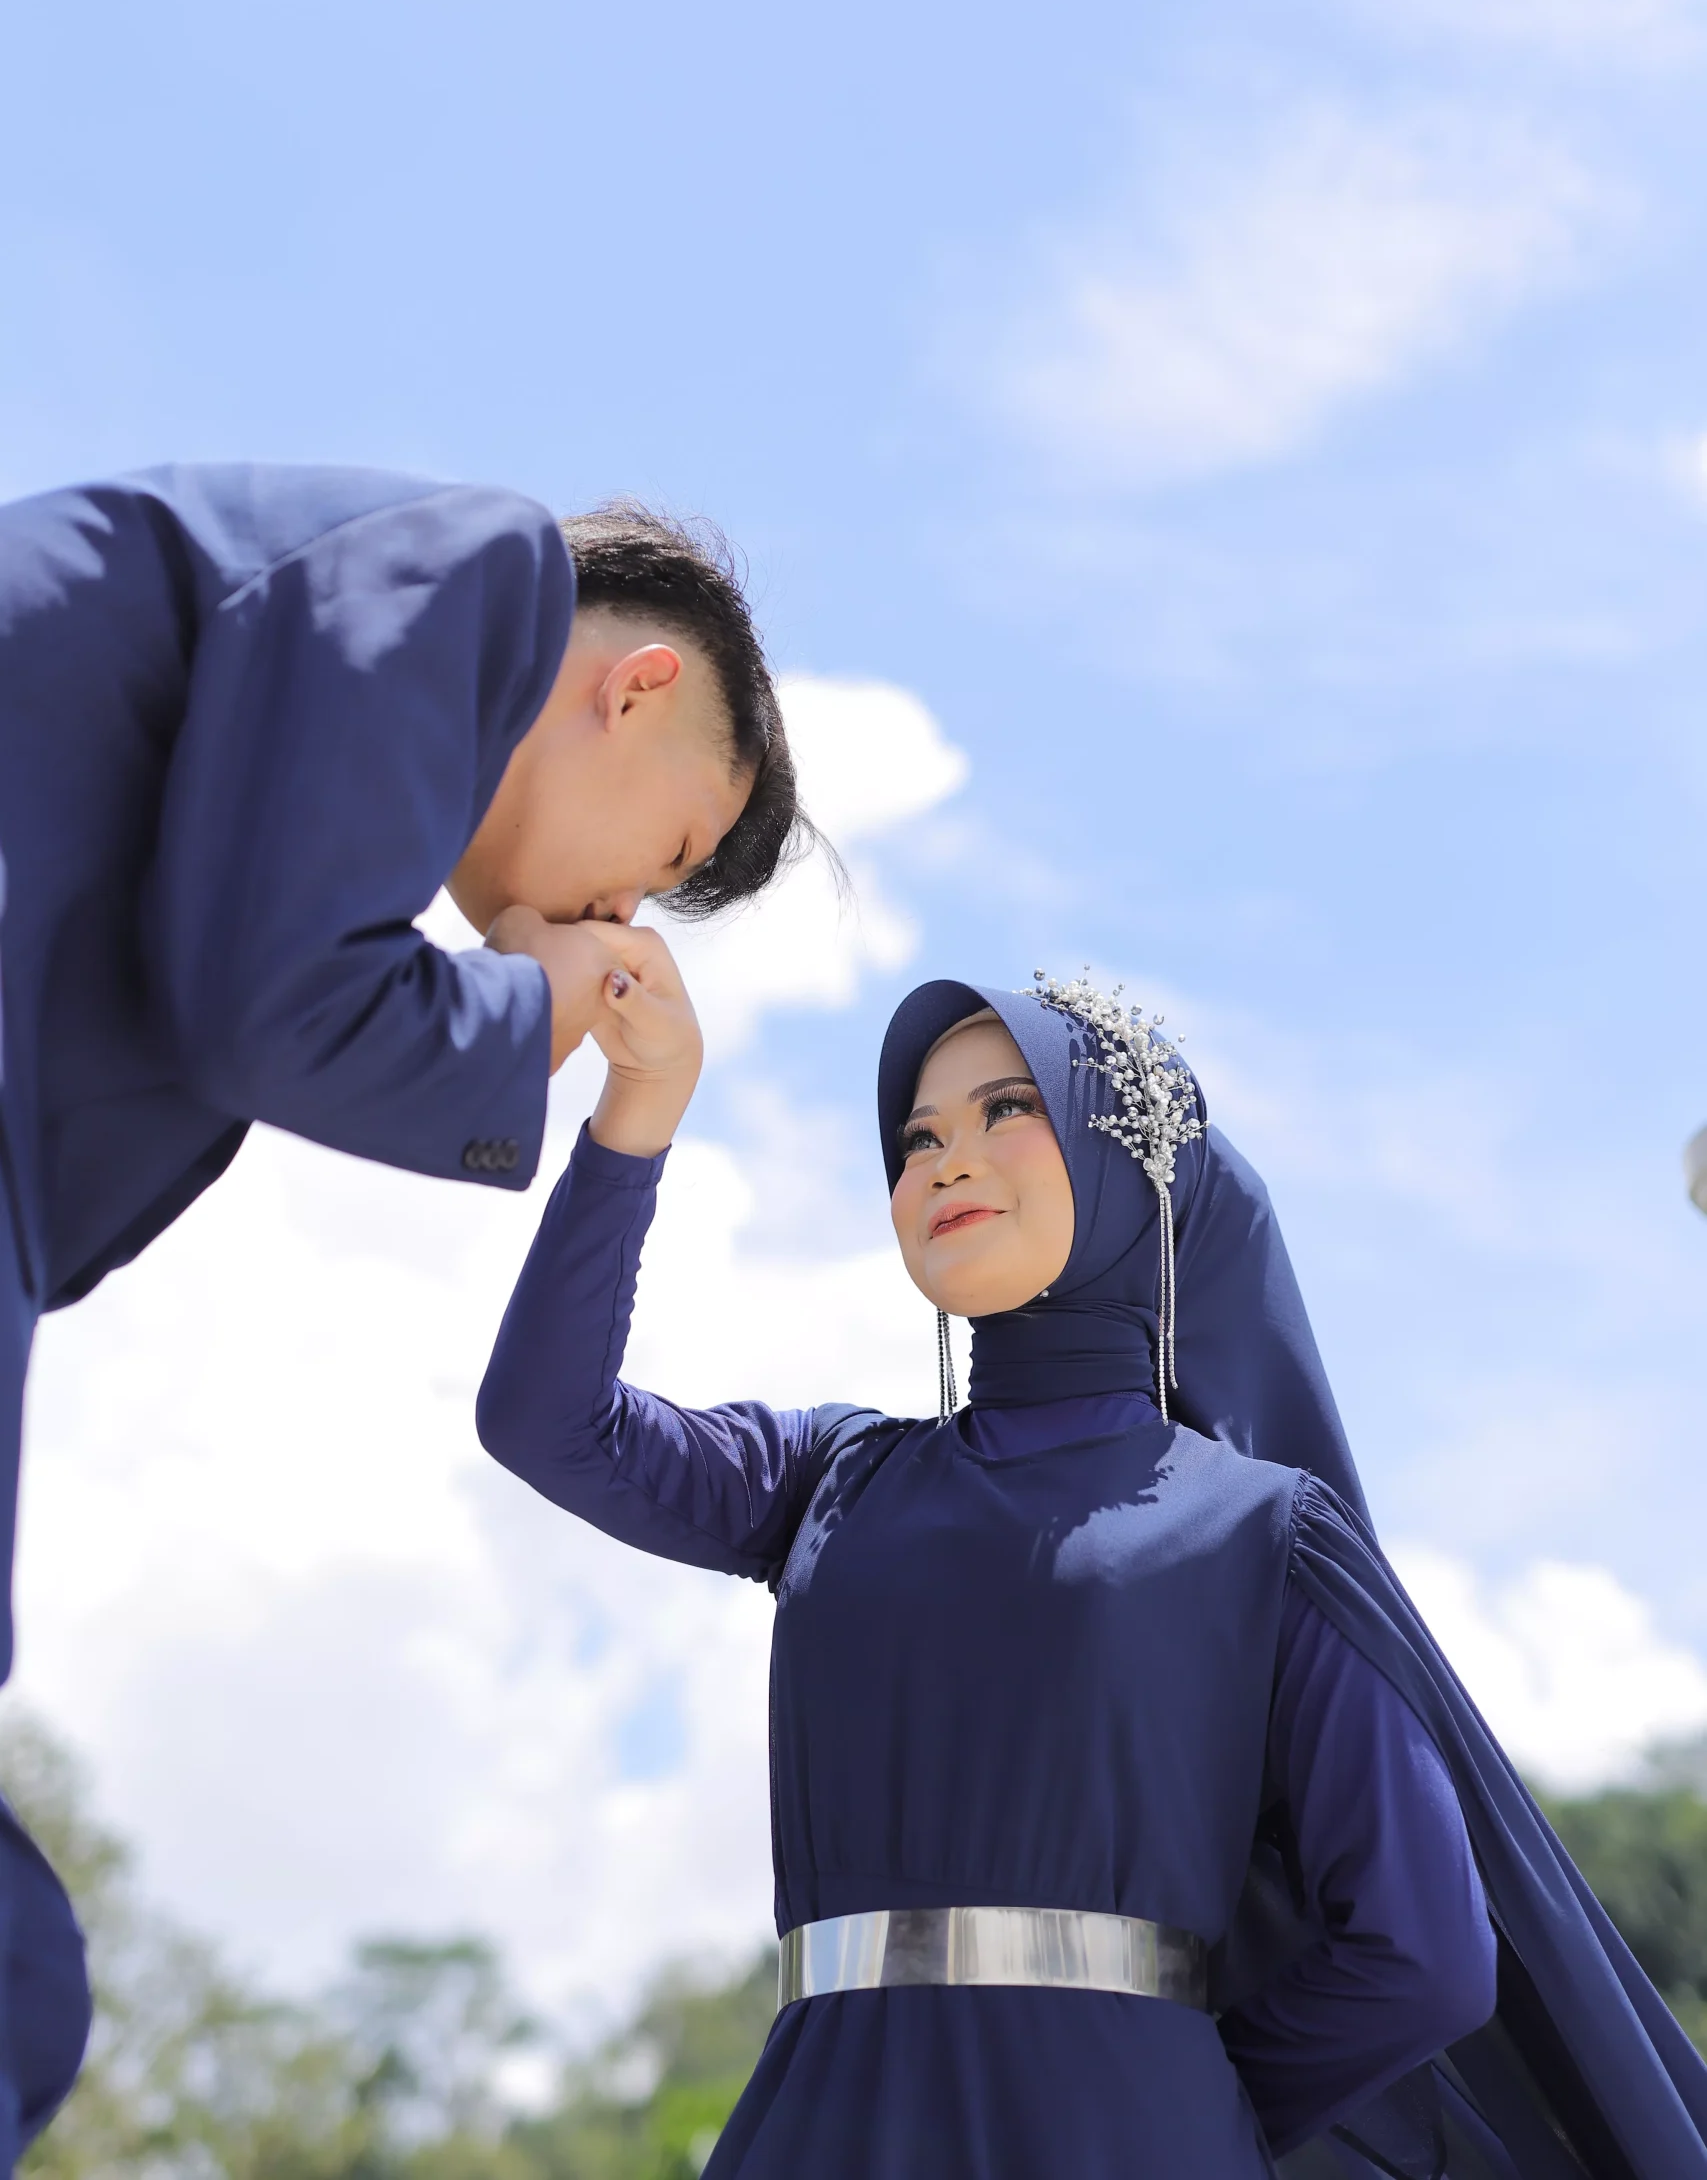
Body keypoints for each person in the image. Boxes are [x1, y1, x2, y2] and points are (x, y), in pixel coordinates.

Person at [478, 947, 1707, 2176]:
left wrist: (1179, 2104)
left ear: (1127, 1162)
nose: (946, 1158)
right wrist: (642, 1105)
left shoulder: (1263, 1532)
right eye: (917, 1137)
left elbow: (1425, 1949)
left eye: (1006, 1108)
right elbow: (545, 1418)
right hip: (816, 2131)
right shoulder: (827, 1476)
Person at [0, 464, 808, 2163]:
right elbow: (269, 1004)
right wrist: (528, 1003)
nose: (622, 916)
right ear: (635, 687)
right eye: (662, 858)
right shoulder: (483, 577)